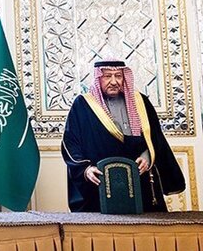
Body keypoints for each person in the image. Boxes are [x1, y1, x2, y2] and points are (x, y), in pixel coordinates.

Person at [61, 59, 185, 212]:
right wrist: (85, 169)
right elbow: (70, 143)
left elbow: (155, 138)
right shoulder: (83, 105)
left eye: (118, 76)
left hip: (139, 177)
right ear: (98, 78)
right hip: (100, 181)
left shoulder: (141, 101)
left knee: (146, 223)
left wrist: (147, 157)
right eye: (107, 76)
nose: (114, 81)